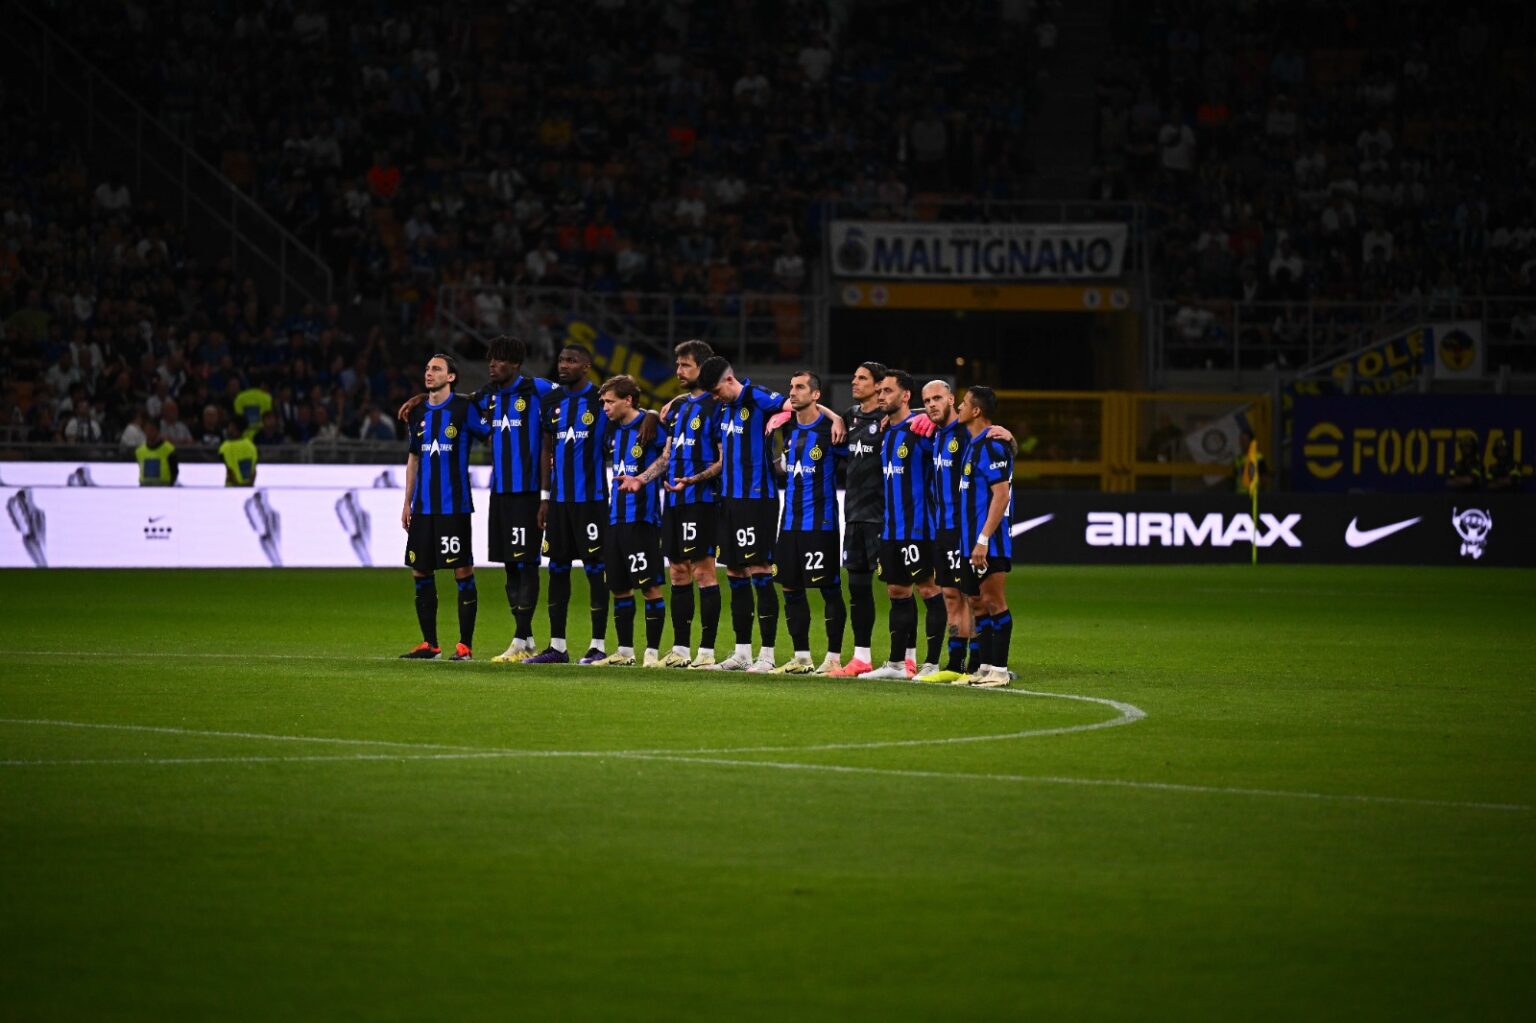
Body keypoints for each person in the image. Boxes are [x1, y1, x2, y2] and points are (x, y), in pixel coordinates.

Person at [400, 337, 560, 663]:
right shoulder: (485, 396)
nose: (491, 365)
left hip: (526, 492)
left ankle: (518, 639)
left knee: (524, 562)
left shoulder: (538, 388)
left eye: (498, 360)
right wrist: (423, 397)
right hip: (499, 492)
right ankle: (521, 638)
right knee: (509, 565)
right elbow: (457, 400)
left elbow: (578, 396)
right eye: (490, 359)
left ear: (514, 363)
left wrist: (647, 413)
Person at [689, 356, 791, 671]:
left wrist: (782, 424)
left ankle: (768, 655)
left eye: (717, 391)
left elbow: (794, 405)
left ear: (730, 380)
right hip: (729, 500)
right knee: (734, 572)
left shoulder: (759, 397)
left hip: (757, 498)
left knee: (760, 569)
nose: (715, 398)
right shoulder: (723, 406)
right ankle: (742, 652)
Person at [524, 344, 614, 665]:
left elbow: (629, 415)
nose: (563, 365)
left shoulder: (601, 401)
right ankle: (558, 647)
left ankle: (598, 645)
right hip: (559, 503)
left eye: (571, 361)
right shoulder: (551, 402)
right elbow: (547, 452)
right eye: (561, 360)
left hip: (591, 502)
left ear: (586, 367)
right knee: (557, 569)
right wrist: (545, 499)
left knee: (596, 571)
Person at [860, 369, 946, 680]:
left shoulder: (921, 431)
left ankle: (932, 664)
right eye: (879, 391)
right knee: (897, 591)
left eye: (887, 391)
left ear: (905, 396)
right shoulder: (888, 433)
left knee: (929, 590)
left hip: (919, 529)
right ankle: (897, 664)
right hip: (892, 529)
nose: (880, 396)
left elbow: (951, 424)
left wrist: (925, 415)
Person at [399, 353, 481, 661]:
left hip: (453, 506)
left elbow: (490, 432)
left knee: (462, 569)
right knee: (420, 570)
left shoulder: (463, 408)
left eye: (436, 369)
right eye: (427, 368)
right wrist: (407, 502)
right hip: (423, 507)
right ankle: (430, 644)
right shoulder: (418, 411)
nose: (429, 373)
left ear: (451, 377)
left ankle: (465, 646)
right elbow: (413, 458)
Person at [769, 370, 848, 674]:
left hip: (821, 523)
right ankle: (801, 657)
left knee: (828, 588)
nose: (793, 391)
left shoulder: (832, 431)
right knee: (790, 588)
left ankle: (833, 657)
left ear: (815, 394)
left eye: (800, 387)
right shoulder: (788, 429)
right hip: (789, 524)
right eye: (791, 386)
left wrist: (835, 416)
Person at [591, 375, 668, 666]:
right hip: (615, 518)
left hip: (642, 519)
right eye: (603, 402)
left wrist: (642, 478)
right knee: (619, 587)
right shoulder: (612, 431)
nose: (605, 407)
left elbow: (668, 456)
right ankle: (624, 652)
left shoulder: (651, 427)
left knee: (649, 586)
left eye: (610, 401)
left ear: (628, 400)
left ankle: (651, 652)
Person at [657, 340, 724, 669]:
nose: (679, 371)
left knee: (703, 572)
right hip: (673, 499)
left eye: (686, 365)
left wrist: (693, 480)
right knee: (677, 572)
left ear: (703, 367)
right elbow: (667, 455)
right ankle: (680, 649)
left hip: (702, 501)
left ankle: (707, 652)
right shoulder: (679, 408)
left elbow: (723, 460)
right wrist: (642, 478)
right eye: (678, 365)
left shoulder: (717, 407)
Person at [954, 386, 1016, 688]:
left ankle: (1000, 671)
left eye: (963, 403)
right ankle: (986, 667)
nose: (959, 406)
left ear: (976, 410)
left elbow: (1001, 496)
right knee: (977, 603)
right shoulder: (973, 443)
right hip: (970, 542)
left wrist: (983, 538)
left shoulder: (992, 444)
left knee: (994, 602)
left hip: (989, 541)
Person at [916, 381, 975, 683]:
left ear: (952, 399)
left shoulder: (966, 433)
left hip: (965, 530)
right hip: (942, 529)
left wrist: (1007, 436)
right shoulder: (936, 435)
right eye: (926, 401)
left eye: (937, 398)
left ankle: (979, 664)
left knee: (972, 596)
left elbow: (998, 442)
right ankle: (955, 664)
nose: (931, 405)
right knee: (951, 595)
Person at [135, 421, 178, 486]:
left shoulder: (169, 450)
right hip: (144, 488)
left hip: (164, 487)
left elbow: (174, 472)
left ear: (158, 431)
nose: (149, 432)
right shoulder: (139, 451)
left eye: (152, 430)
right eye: (147, 430)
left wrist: (170, 487)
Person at [218, 420, 258, 486]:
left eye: (229, 426)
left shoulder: (225, 447)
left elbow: (228, 470)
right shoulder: (251, 445)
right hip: (248, 488)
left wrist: (238, 486)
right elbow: (254, 469)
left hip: (231, 489)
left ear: (233, 427)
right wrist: (249, 485)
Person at [1232, 428, 1267, 493]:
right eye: (1241, 440)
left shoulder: (1258, 458)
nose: (1242, 443)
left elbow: (1264, 479)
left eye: (1244, 440)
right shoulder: (1237, 460)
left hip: (1253, 496)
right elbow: (1235, 479)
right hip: (1239, 495)